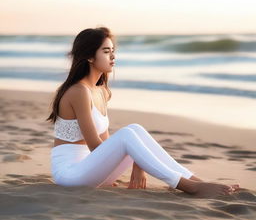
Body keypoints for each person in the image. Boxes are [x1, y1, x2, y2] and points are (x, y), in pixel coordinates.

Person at [46, 27, 239, 197]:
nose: (113, 56)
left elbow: (107, 143)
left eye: (113, 51)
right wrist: (138, 161)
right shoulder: (78, 91)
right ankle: (188, 186)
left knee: (134, 129)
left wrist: (138, 163)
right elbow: (96, 146)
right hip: (70, 175)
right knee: (127, 134)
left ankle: (196, 181)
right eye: (106, 51)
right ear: (89, 56)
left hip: (92, 171)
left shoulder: (101, 91)